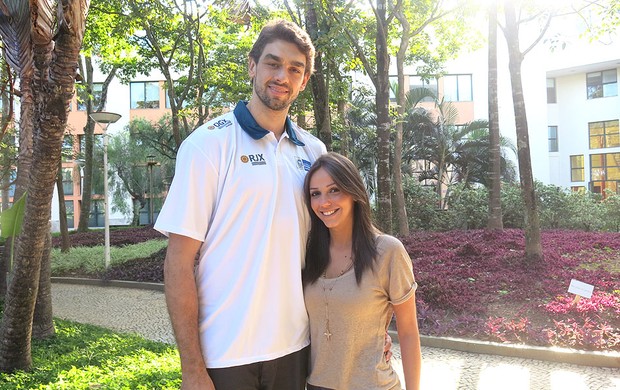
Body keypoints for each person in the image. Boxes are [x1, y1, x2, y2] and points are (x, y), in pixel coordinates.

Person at [154, 19, 326, 389]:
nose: (282, 75)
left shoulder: (315, 152)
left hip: (295, 347)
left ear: (304, 80)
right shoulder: (207, 145)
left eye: (295, 69)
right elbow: (178, 261)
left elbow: (330, 249)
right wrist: (192, 368)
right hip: (225, 353)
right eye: (272, 63)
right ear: (252, 66)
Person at [303, 152, 422, 390]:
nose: (324, 202)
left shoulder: (387, 251)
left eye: (334, 190)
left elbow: (409, 331)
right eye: (315, 194)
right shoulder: (308, 251)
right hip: (317, 385)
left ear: (354, 193)